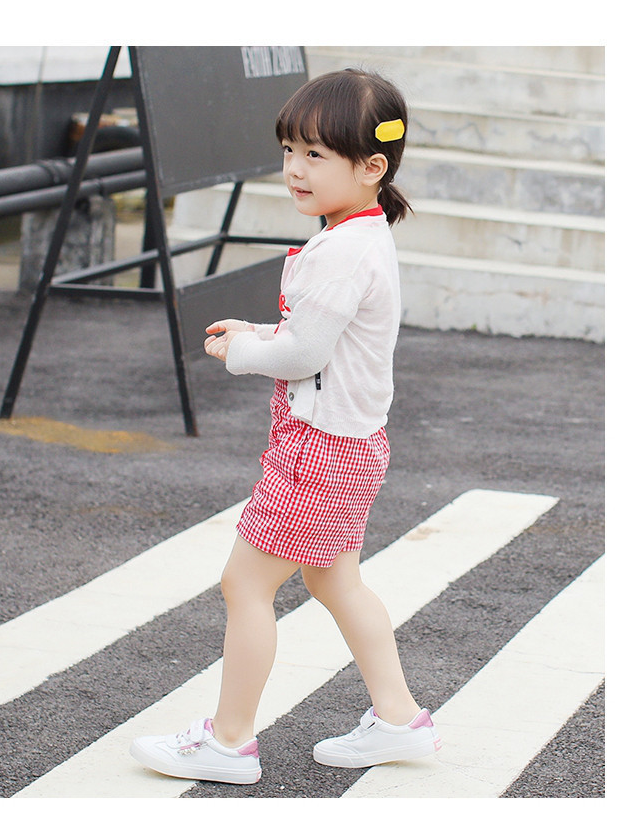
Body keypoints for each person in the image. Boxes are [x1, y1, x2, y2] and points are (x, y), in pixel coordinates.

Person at [130, 69, 441, 786]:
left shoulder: (343, 250)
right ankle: (400, 720)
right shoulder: (359, 234)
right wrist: (257, 331)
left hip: (318, 451)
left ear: (372, 167)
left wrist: (243, 352)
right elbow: (316, 336)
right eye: (290, 151)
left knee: (244, 584)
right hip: (350, 445)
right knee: (336, 582)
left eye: (315, 155)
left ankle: (229, 741)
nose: (295, 169)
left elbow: (304, 355)